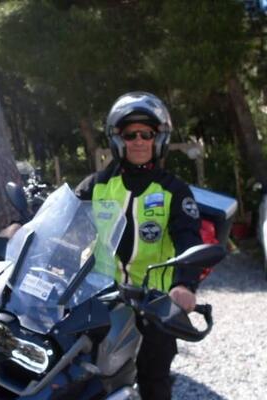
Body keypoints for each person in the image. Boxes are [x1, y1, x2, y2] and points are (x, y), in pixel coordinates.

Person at [75, 92, 203, 400]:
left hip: (154, 304)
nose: (139, 141)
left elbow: (189, 241)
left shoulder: (173, 190)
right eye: (130, 134)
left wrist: (184, 285)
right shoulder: (98, 185)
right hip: (101, 299)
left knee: (154, 379)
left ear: (159, 139)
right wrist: (21, 226)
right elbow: (65, 221)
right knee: (79, 374)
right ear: (117, 139)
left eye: (147, 134)